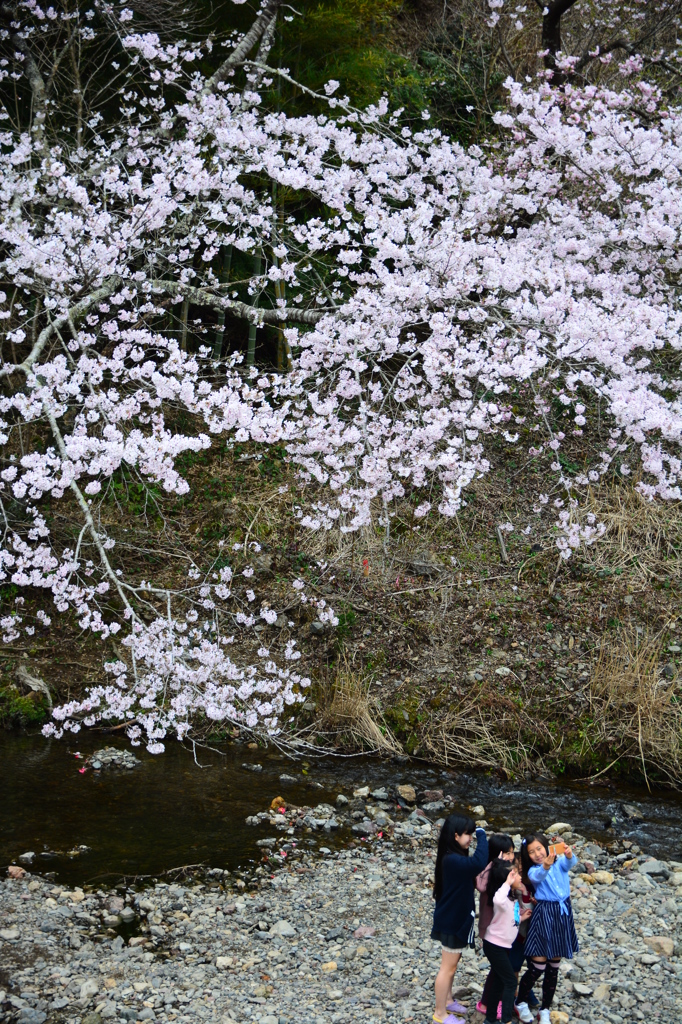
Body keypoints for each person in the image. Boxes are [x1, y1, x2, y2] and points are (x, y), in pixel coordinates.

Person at [514, 833, 579, 1024]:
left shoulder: (558, 863)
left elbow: (570, 864)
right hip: (544, 915)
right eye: (531, 852)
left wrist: (567, 853)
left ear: (546, 847)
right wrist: (546, 864)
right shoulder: (534, 871)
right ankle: (520, 1001)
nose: (537, 854)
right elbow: (540, 875)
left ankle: (545, 1010)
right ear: (528, 856)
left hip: (562, 914)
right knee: (538, 966)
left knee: (554, 967)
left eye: (539, 849)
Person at [431, 814, 488, 1024]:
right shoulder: (452, 859)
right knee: (448, 967)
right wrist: (482, 835)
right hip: (452, 920)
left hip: (455, 917)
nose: (471, 838)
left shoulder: (452, 856)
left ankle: (447, 1000)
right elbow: (479, 862)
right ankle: (440, 1013)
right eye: (469, 834)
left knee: (453, 964)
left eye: (473, 834)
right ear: (456, 836)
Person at [476, 837, 538, 1020]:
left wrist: (521, 917)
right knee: (510, 981)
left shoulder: (511, 899)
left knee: (498, 981)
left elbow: (510, 921)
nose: (519, 876)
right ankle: (505, 1019)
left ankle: (491, 1018)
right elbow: (496, 898)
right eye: (515, 875)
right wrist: (507, 881)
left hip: (502, 945)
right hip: (494, 944)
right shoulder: (501, 896)